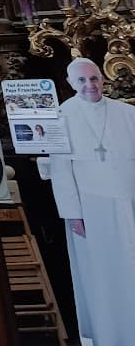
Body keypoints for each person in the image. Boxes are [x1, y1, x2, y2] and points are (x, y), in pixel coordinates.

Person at [48, 58, 135, 344]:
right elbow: (60, 170)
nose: (90, 85)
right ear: (71, 83)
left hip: (129, 204)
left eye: (94, 79)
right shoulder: (61, 116)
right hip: (90, 210)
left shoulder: (126, 113)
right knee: (102, 274)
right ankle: (110, 336)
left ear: (103, 78)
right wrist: (73, 213)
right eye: (83, 80)